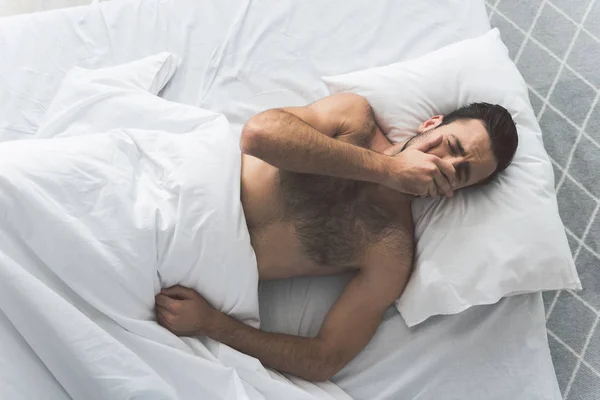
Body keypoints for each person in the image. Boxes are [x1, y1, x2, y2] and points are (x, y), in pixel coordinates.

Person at [154, 93, 518, 381]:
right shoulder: (354, 119)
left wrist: (213, 325)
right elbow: (259, 135)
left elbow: (326, 359)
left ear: (456, 191)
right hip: (166, 189)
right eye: (451, 147)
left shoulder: (390, 249)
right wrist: (388, 170)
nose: (447, 166)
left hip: (177, 274)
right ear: (431, 124)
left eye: (462, 173)